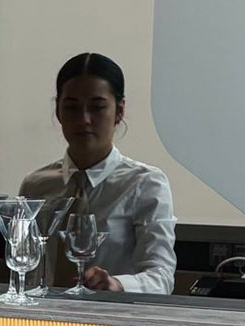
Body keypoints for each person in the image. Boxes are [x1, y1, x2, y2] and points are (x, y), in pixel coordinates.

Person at [17, 52, 178, 295]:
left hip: (112, 316)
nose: (84, 119)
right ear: (58, 111)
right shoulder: (35, 186)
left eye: (97, 107)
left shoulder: (144, 184)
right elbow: (24, 267)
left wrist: (117, 284)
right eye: (72, 107)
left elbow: (161, 277)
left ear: (119, 111)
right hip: (42, 314)